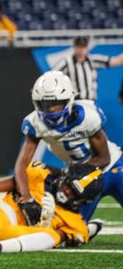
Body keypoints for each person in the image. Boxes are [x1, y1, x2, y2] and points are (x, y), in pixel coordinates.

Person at [14, 71, 122, 223]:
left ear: (69, 99)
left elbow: (104, 158)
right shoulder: (34, 123)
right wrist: (26, 198)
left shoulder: (88, 117)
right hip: (81, 179)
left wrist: (71, 173)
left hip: (112, 168)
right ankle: (91, 228)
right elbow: (21, 165)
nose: (51, 110)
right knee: (72, 229)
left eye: (56, 104)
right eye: (45, 105)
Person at [52, 36, 123, 101]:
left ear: (87, 48)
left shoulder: (92, 60)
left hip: (91, 102)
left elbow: (115, 61)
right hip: (74, 102)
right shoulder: (66, 62)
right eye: (79, 46)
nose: (81, 50)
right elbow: (51, 75)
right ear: (74, 47)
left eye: (83, 47)